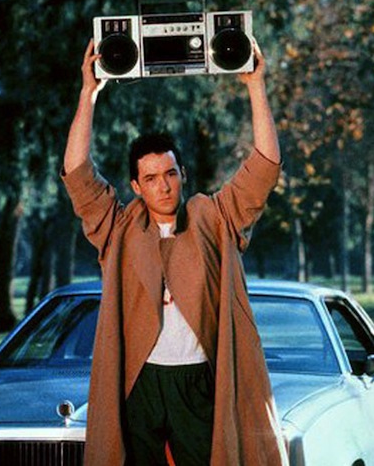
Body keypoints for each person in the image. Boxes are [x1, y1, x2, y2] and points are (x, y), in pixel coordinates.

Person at [62, 39, 289, 465]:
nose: (163, 186)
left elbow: (263, 168)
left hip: (197, 380)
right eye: (151, 178)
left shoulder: (212, 217)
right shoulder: (120, 226)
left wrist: (256, 87)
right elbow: (77, 174)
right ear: (136, 186)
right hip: (140, 382)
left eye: (170, 174)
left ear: (182, 174)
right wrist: (87, 94)